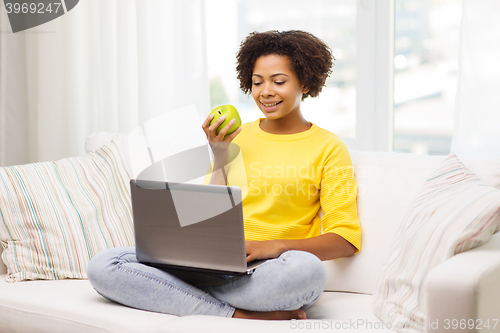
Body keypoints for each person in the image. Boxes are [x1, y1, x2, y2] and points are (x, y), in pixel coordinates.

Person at [88, 30, 361, 321]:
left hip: (267, 272)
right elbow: (206, 216)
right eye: (257, 82)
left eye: (278, 81)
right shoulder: (236, 136)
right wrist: (220, 154)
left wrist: (273, 246)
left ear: (305, 83)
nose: (265, 91)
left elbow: (344, 239)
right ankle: (238, 314)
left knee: (308, 272)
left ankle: (176, 295)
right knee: (105, 265)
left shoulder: (328, 147)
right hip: (210, 266)